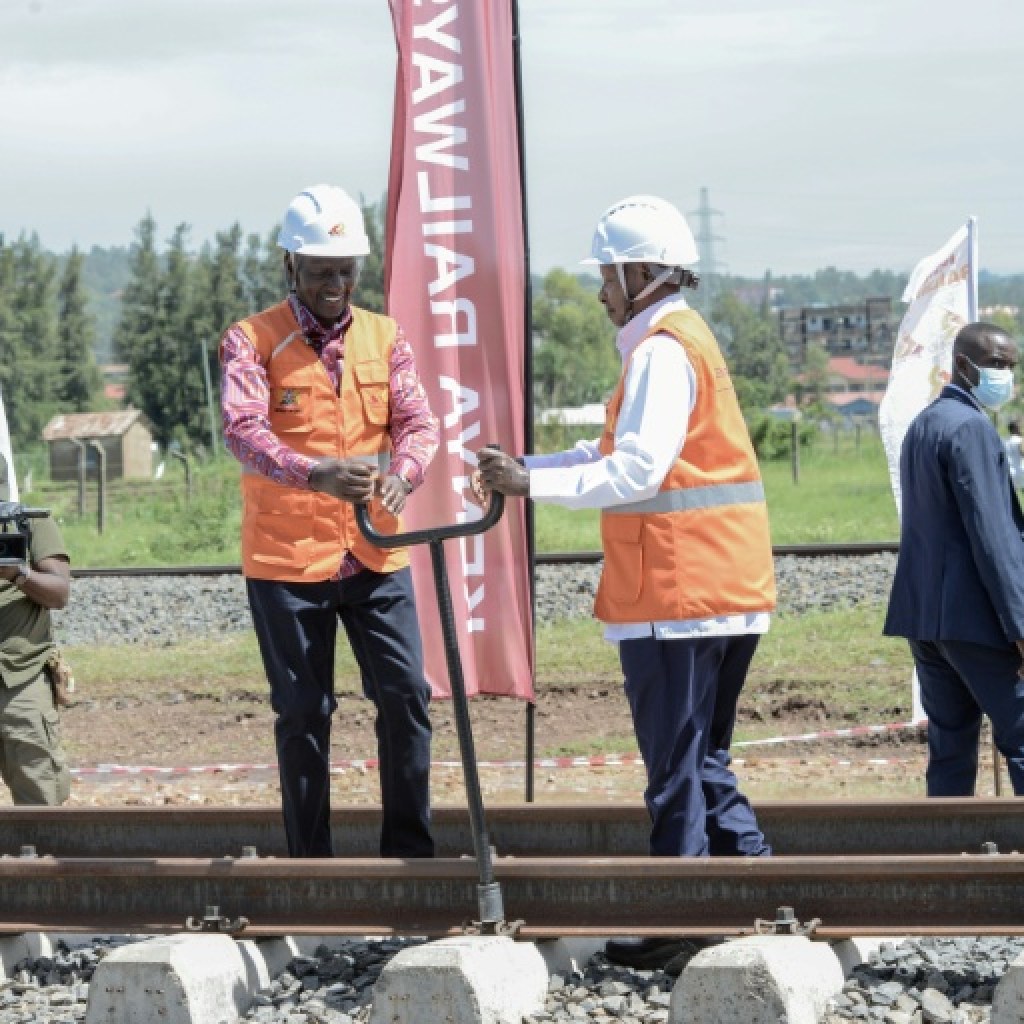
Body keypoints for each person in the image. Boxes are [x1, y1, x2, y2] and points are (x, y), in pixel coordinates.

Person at [476, 195, 776, 971]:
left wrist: (529, 486)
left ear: (641, 273)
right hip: (715, 588)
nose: (601, 290)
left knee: (677, 764)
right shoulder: (679, 341)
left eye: (607, 274)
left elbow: (637, 471)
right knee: (703, 757)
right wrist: (527, 473)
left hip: (677, 594)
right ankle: (757, 889)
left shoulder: (660, 353)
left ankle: (678, 914)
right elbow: (614, 450)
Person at [220, 184, 440, 859]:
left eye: (346, 270)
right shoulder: (250, 340)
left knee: (406, 697)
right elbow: (242, 430)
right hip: (287, 563)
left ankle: (408, 853)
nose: (335, 284)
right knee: (303, 715)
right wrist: (311, 472)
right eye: (321, 272)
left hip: (375, 552)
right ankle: (311, 865)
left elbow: (418, 423)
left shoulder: (386, 337)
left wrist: (404, 473)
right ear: (291, 267)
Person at [885, 322, 1024, 795]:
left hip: (926, 618)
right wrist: (1020, 626)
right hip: (975, 622)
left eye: (1011, 366)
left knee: (950, 746)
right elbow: (994, 538)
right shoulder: (971, 429)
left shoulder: (925, 424)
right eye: (997, 364)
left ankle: (946, 856)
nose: (1005, 374)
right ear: (963, 364)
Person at [0, 461, 72, 805]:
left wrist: (18, 574)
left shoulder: (29, 521)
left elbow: (59, 592)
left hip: (20, 676)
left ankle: (42, 857)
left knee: (39, 789)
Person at [1004, 420, 1024, 489]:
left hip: (1009, 472)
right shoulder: (1020, 440)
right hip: (1021, 470)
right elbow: (1022, 453)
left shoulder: (1005, 440)